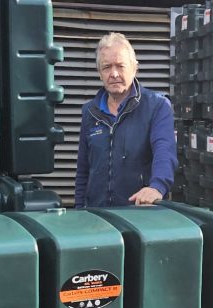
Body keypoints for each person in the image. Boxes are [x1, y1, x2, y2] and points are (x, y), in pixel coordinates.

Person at [74, 32, 177, 208]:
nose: (114, 74)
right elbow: (84, 168)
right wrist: (78, 209)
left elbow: (164, 151)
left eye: (120, 66)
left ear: (134, 68)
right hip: (97, 217)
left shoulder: (157, 106)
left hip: (139, 214)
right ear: (99, 73)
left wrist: (157, 187)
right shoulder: (90, 111)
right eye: (107, 67)